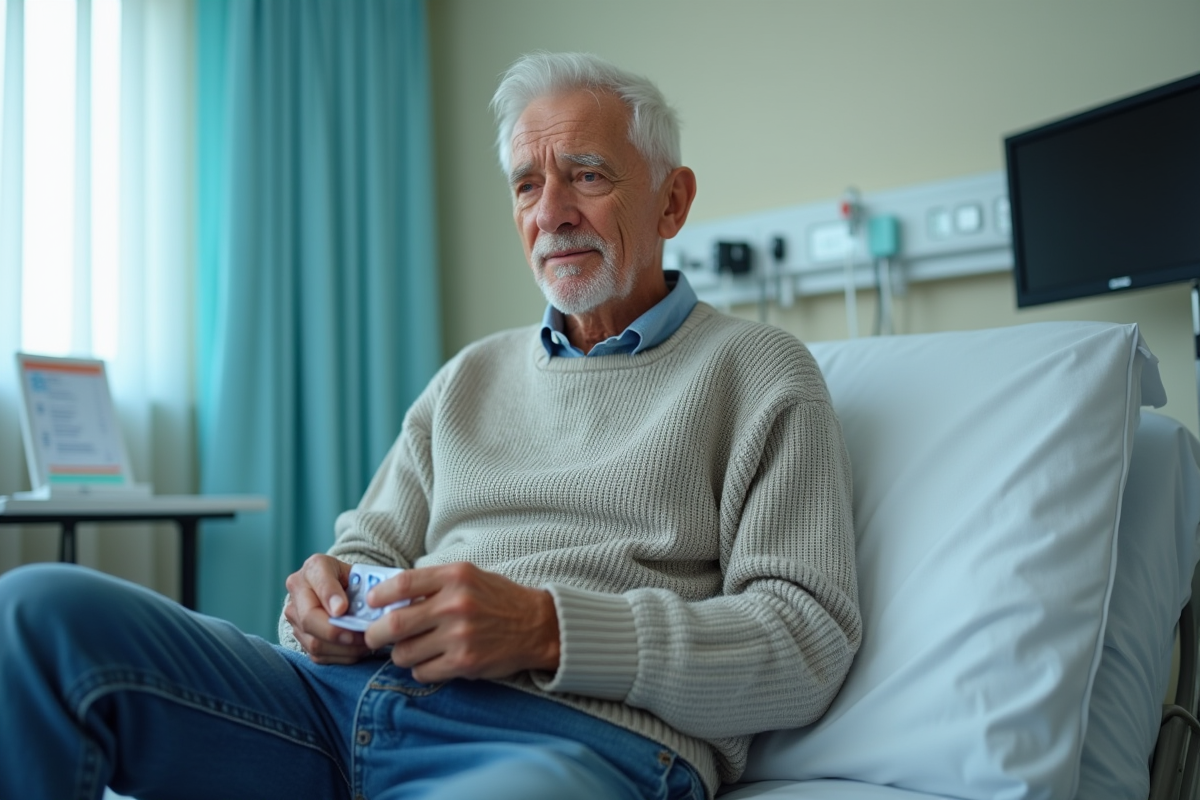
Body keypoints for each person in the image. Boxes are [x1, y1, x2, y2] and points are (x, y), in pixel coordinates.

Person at [0, 52, 860, 800]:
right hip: (340, 709)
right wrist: (324, 601)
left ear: (673, 203)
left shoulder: (760, 373)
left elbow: (803, 644)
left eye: (588, 175)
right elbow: (367, 550)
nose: (551, 211)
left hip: (571, 741)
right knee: (37, 612)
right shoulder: (468, 379)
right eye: (528, 184)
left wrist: (546, 627)